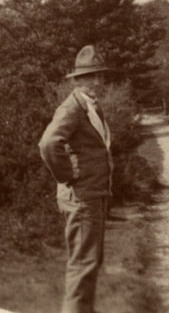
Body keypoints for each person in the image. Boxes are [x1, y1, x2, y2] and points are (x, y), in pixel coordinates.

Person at [38, 45, 114, 313]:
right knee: (83, 266)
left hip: (92, 196)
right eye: (89, 76)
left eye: (99, 76)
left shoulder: (91, 106)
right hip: (81, 198)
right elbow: (48, 144)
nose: (96, 81)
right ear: (77, 80)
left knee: (89, 263)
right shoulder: (71, 108)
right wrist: (67, 176)